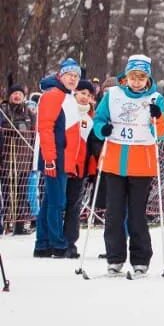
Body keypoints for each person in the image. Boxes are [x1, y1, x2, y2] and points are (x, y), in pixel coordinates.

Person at [92, 55, 164, 277]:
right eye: (132, 77)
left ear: (148, 78)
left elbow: (163, 133)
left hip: (141, 165)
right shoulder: (113, 95)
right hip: (115, 163)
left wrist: (159, 117)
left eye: (141, 77)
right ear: (125, 77)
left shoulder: (156, 98)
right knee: (114, 214)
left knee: (137, 215)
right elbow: (98, 121)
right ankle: (115, 258)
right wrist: (102, 130)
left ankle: (140, 259)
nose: (136, 82)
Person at [34, 58, 85, 257]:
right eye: (69, 75)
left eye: (76, 76)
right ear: (60, 75)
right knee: (57, 201)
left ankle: (43, 243)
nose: (73, 79)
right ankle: (57, 243)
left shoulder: (66, 96)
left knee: (50, 200)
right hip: (55, 156)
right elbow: (45, 128)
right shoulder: (54, 95)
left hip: (62, 156)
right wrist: (49, 158)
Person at [62, 79, 101, 259]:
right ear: (75, 93)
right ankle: (53, 240)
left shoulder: (90, 119)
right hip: (63, 165)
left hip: (81, 169)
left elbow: (94, 145)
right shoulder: (67, 111)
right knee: (57, 203)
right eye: (82, 93)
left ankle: (70, 241)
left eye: (89, 95)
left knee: (74, 206)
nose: (85, 97)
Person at [1, 84, 34, 234]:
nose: (17, 96)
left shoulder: (28, 112)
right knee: (7, 192)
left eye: (20, 93)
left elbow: (34, 131)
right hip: (7, 158)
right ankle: (6, 222)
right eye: (14, 93)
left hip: (24, 158)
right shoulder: (4, 111)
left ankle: (20, 224)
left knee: (21, 192)